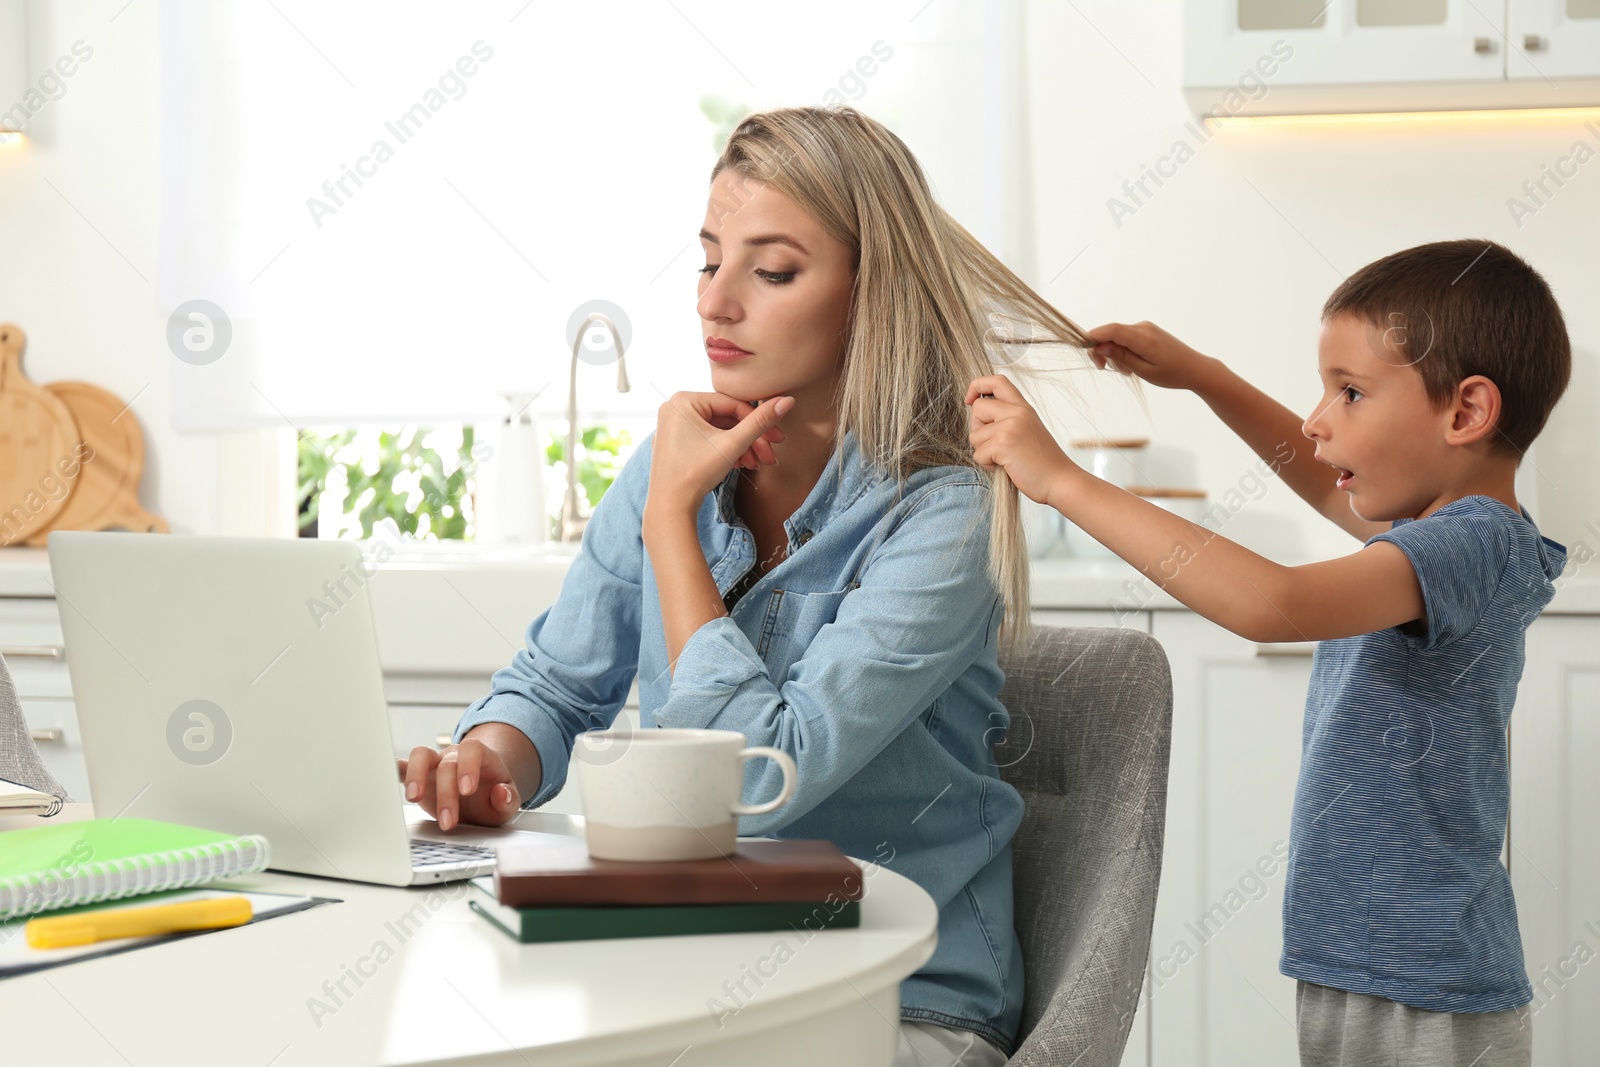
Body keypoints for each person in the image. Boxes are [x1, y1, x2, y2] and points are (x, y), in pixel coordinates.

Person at [400, 104, 1094, 1064]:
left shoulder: (945, 511)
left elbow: (762, 774)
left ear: (870, 294)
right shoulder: (667, 467)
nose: (714, 302)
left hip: (901, 1000)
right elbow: (558, 686)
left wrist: (670, 531)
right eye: (708, 259)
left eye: (771, 271)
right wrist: (488, 763)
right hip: (685, 973)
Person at [966, 239, 1571, 1067]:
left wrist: (1063, 480)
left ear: (1465, 413)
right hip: (1359, 963)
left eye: (1350, 392)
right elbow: (1324, 478)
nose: (1320, 420)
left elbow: (1270, 603)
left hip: (1425, 985)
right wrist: (1203, 375)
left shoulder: (1477, 546)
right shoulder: (1430, 534)